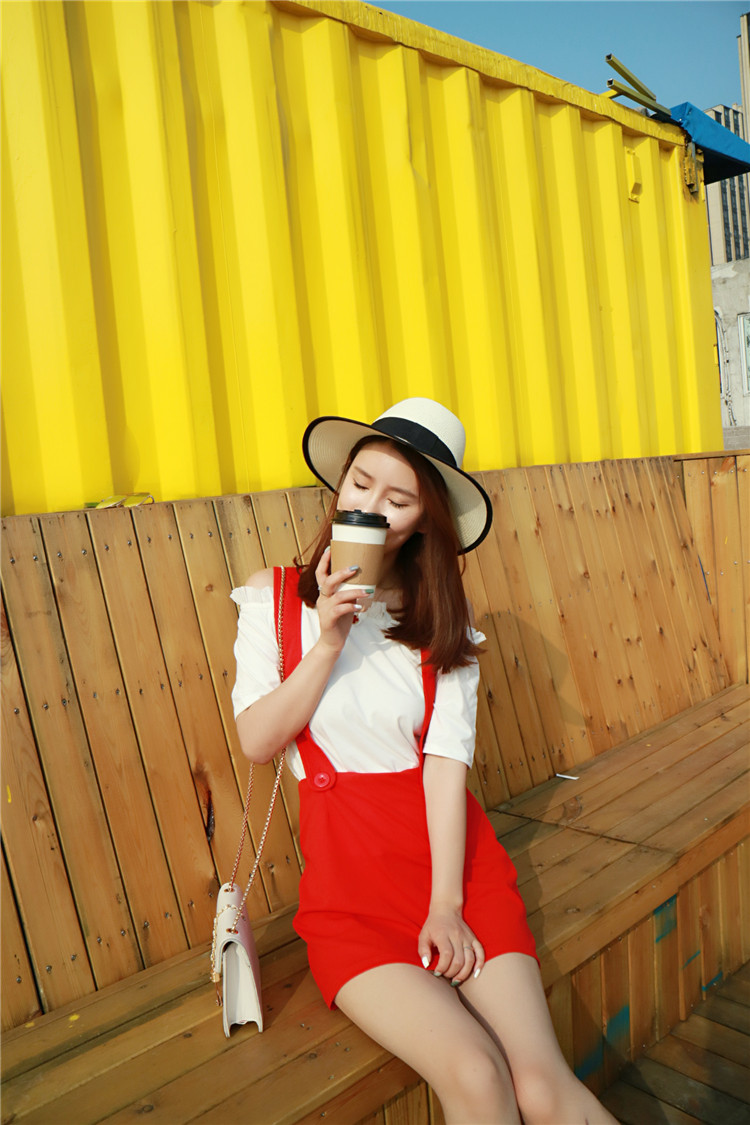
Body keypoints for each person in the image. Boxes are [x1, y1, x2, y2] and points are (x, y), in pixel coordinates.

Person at [231, 399, 617, 1124]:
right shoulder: (273, 600)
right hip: (350, 894)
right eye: (361, 483)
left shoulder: (440, 622)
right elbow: (258, 739)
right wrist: (329, 640)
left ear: (422, 522)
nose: (370, 506)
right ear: (340, 487)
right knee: (474, 1072)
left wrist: (447, 907)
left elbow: (445, 768)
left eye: (398, 498)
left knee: (541, 1085)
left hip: (455, 873)